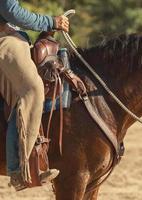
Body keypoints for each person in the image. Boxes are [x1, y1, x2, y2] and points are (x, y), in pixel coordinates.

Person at [0, 0, 69, 191]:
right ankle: (19, 170)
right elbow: (11, 12)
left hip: (12, 35)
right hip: (4, 37)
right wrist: (50, 22)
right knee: (33, 89)